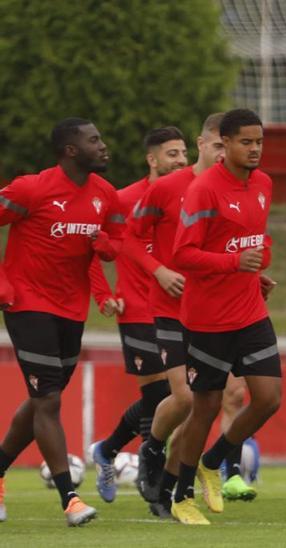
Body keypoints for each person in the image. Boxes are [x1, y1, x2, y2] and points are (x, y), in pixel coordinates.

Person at [0, 118, 125, 526]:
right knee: (49, 400)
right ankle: (70, 499)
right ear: (71, 150)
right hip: (27, 302)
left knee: (42, 399)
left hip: (72, 309)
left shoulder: (104, 194)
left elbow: (116, 238)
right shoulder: (30, 189)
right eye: (94, 140)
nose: (103, 146)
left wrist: (107, 247)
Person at [168, 109, 282, 525]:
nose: (254, 150)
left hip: (251, 311)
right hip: (208, 320)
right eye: (245, 142)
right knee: (206, 407)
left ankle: (213, 461)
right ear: (225, 144)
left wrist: (257, 268)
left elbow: (258, 238)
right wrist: (234, 263)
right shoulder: (204, 190)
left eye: (259, 142)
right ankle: (182, 496)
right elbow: (182, 254)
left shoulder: (265, 184)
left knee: (269, 399)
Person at [128, 113, 239, 519]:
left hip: (213, 311)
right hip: (171, 309)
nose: (225, 154)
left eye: (231, 148)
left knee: (207, 403)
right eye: (218, 146)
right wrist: (159, 269)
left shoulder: (231, 190)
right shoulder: (168, 188)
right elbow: (130, 237)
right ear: (203, 144)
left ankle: (171, 485)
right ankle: (152, 446)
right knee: (186, 397)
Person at [88, 126, 188, 504]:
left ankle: (109, 450)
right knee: (159, 394)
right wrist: (104, 296)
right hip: (136, 308)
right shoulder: (123, 199)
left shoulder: (188, 198)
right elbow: (94, 249)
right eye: (172, 154)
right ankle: (155, 485)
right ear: (152, 159)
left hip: (178, 308)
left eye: (183, 153)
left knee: (177, 395)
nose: (181, 160)